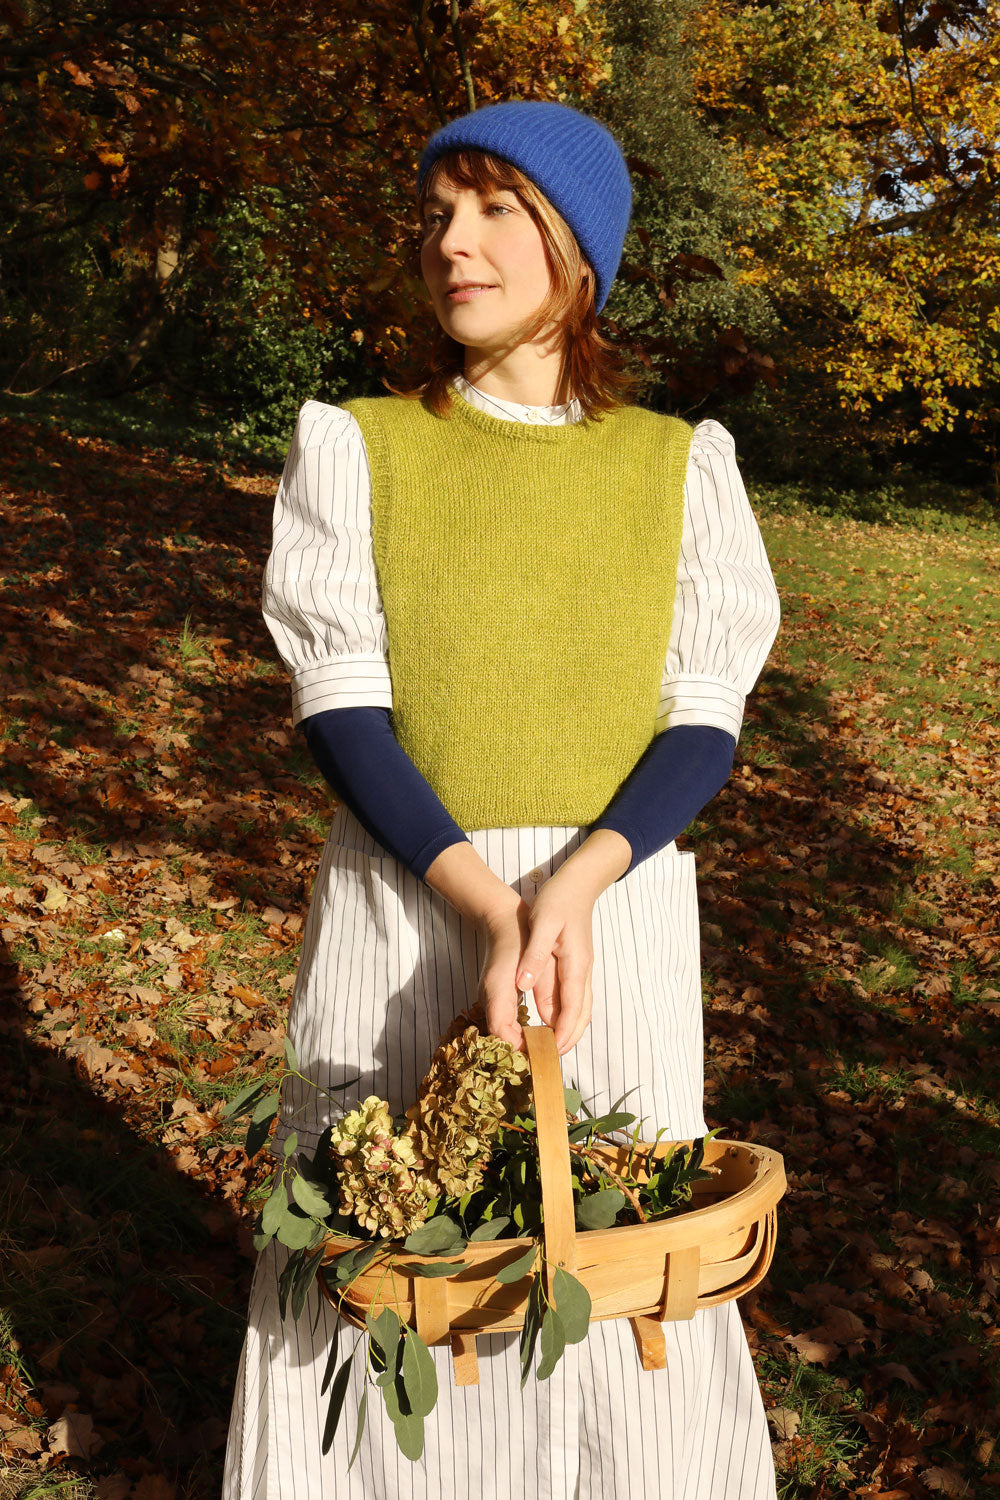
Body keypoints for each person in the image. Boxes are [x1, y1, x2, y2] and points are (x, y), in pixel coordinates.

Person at [222, 99, 782, 1500]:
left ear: (576, 248)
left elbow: (702, 723)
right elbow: (343, 706)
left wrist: (575, 889)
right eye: (434, 216)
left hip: (614, 914)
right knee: (386, 1242)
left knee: (613, 1245)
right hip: (413, 898)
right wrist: (487, 903)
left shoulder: (676, 466)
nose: (450, 244)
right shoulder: (359, 447)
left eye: (492, 209)